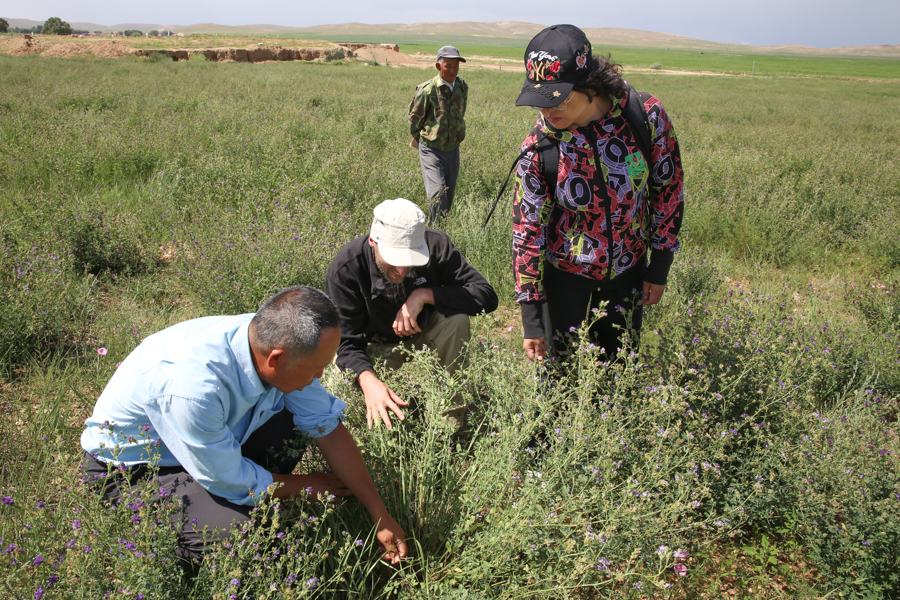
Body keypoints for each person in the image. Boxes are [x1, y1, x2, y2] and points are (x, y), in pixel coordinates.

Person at [80, 286, 407, 564]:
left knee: (294, 415)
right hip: (133, 471)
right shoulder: (193, 387)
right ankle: (159, 536)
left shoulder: (269, 340)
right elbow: (227, 479)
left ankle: (261, 496)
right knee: (245, 537)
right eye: (317, 368)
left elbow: (327, 428)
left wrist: (379, 513)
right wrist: (304, 487)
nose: (320, 376)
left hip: (202, 444)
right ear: (276, 359)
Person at [511, 24, 684, 363]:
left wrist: (659, 265)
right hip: (564, 281)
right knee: (557, 384)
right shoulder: (538, 148)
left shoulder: (645, 116)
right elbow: (526, 231)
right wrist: (531, 316)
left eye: (557, 98)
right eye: (539, 100)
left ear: (588, 86)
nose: (547, 110)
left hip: (629, 273)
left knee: (618, 375)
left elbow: (668, 189)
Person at [325, 198, 498, 429]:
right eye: (394, 259)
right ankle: (368, 432)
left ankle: (447, 425)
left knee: (456, 321)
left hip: (424, 336)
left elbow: (485, 295)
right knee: (339, 382)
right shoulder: (346, 268)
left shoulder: (436, 245)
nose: (401, 270)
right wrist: (367, 379)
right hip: (372, 347)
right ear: (372, 242)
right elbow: (346, 343)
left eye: (411, 261)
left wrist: (425, 295)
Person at [408, 45, 468, 224]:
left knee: (448, 195)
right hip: (431, 149)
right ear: (438, 66)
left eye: (455, 66)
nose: (452, 70)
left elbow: (460, 113)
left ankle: (444, 230)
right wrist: (420, 139)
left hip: (453, 149)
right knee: (437, 193)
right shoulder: (427, 90)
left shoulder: (461, 87)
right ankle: (435, 232)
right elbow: (414, 119)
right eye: (448, 65)